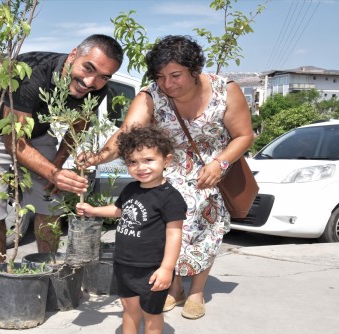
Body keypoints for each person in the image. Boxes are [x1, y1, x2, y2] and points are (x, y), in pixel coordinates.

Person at [80, 35, 254, 319]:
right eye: (160, 77)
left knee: (204, 230)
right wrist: (98, 158)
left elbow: (244, 135)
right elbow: (126, 133)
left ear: (194, 70)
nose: (168, 84)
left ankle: (197, 290)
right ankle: (174, 288)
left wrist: (220, 164)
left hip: (209, 172)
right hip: (167, 172)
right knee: (163, 231)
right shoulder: (151, 95)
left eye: (175, 75)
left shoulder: (225, 90)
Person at [0, 34, 124, 264]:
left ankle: (48, 268)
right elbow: (13, 142)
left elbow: (76, 128)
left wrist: (57, 165)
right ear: (72, 55)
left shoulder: (97, 89)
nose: (90, 82)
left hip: (36, 132)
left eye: (103, 77)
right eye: (88, 68)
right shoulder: (31, 71)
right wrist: (53, 174)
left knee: (50, 203)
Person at [76, 125, 186, 334]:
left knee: (152, 311)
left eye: (148, 160)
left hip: (152, 267)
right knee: (129, 305)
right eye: (133, 162)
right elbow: (119, 210)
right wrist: (93, 210)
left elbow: (175, 233)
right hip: (125, 262)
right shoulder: (131, 189)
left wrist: (167, 268)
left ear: (166, 160)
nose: (141, 167)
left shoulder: (170, 197)